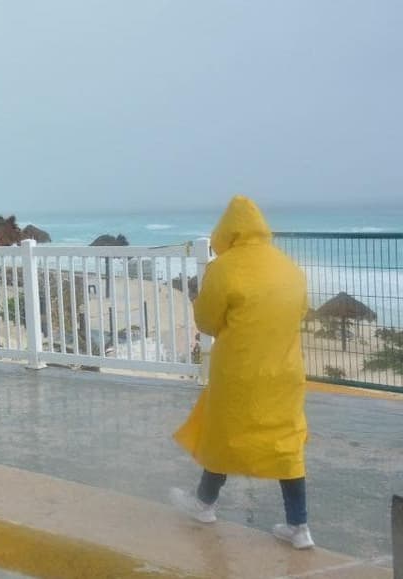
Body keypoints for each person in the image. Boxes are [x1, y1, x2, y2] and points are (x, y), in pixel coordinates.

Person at [170, 195, 314, 550]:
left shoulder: (223, 268)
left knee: (224, 434)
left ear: (227, 230)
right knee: (286, 443)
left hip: (238, 372)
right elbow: (301, 311)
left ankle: (204, 504)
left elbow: (206, 321)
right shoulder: (289, 268)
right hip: (284, 371)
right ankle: (300, 526)